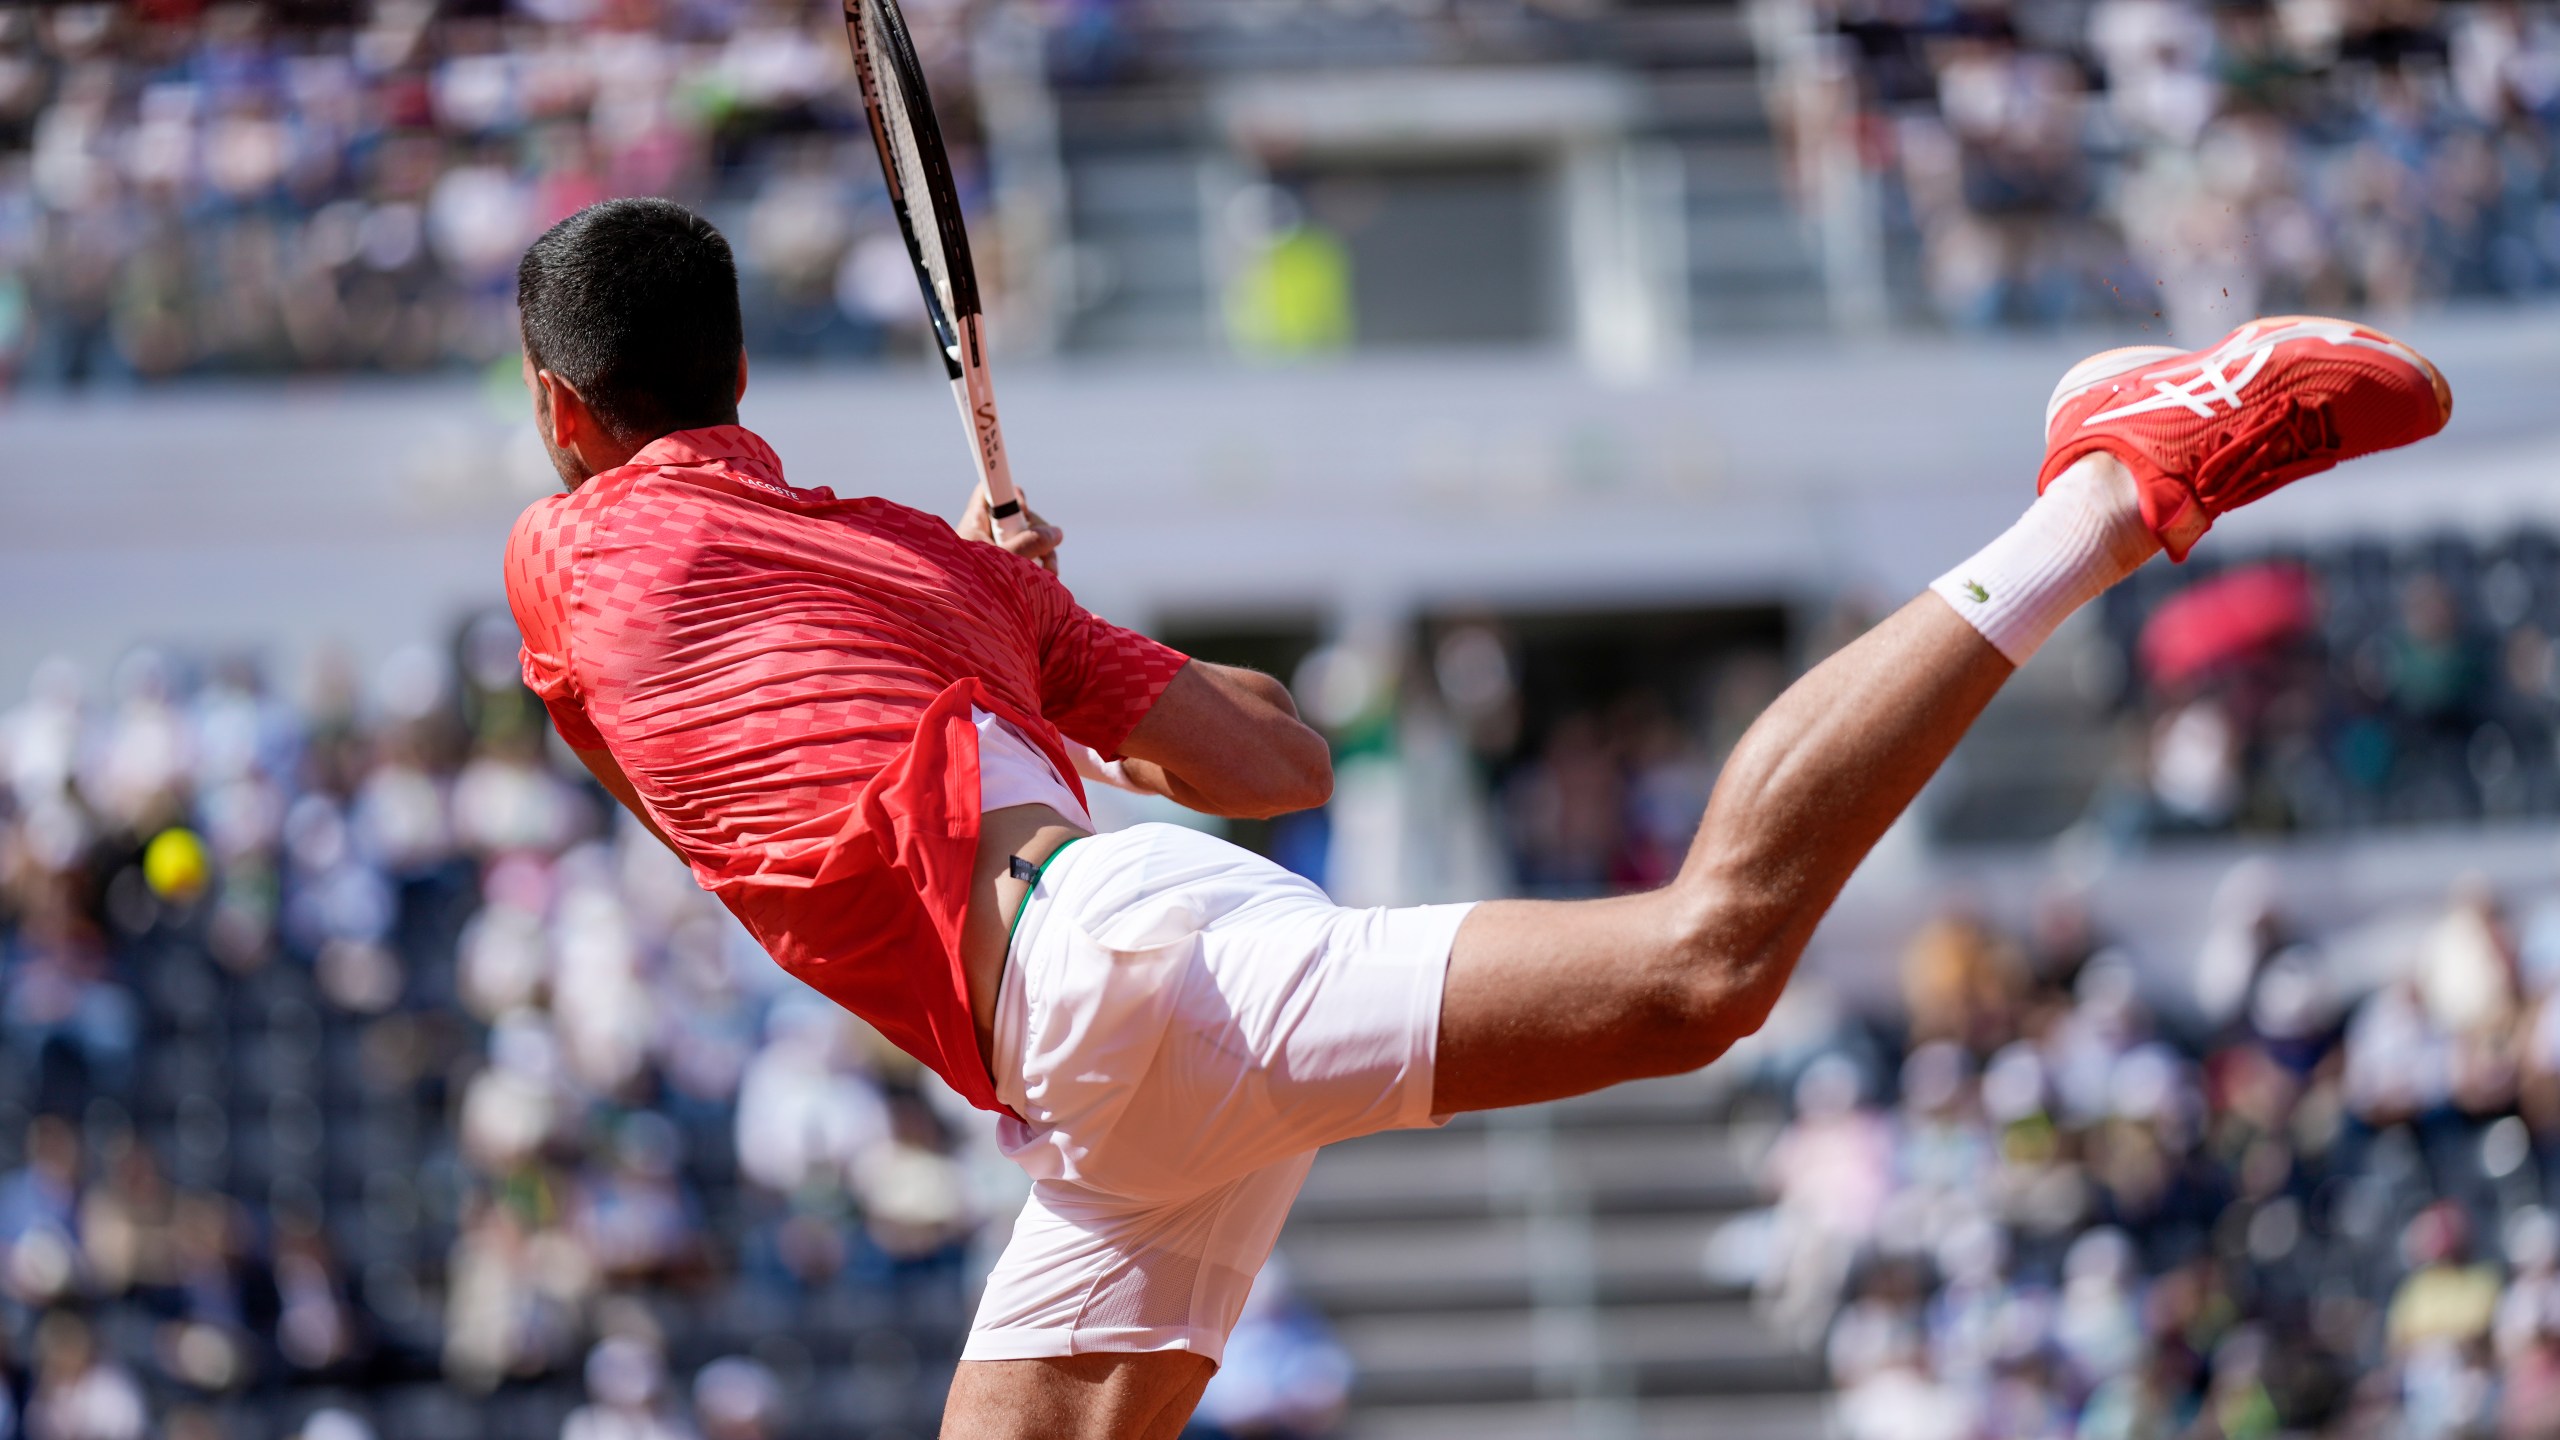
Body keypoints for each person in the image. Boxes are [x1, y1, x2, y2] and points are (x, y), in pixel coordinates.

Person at [496, 198, 2452, 1440]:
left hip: (1114, 988)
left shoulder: (568, 557)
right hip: (1106, 1054)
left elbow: (637, 767)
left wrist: (1011, 634)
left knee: (1701, 965)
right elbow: (1277, 763)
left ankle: (2113, 486)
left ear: (558, 407)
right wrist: (1037, 617)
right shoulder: (938, 568)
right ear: (743, 374)